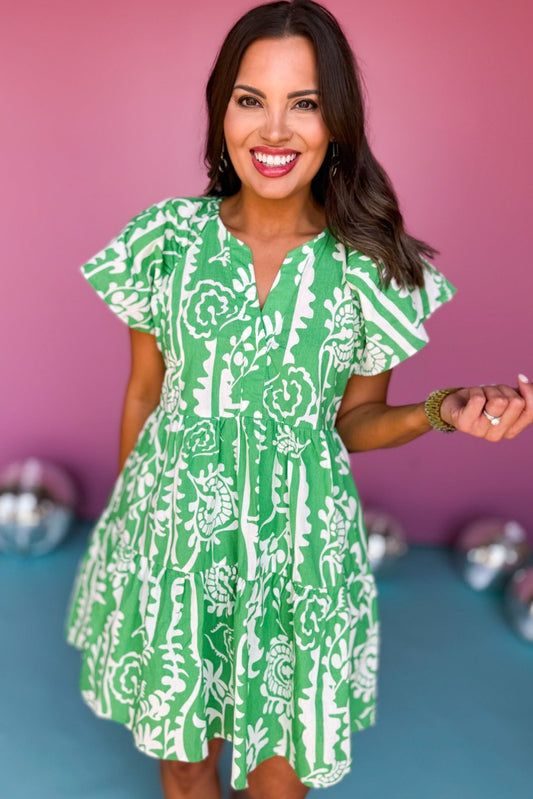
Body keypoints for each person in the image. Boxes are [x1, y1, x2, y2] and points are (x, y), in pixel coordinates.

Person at [65, 2, 532, 798]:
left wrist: (438, 408)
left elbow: (352, 421)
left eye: (303, 102)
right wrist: (142, 543)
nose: (273, 129)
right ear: (221, 111)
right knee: (184, 765)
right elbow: (144, 393)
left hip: (297, 557)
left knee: (278, 780)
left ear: (336, 122)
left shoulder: (368, 267)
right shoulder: (166, 240)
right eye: (250, 99)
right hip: (175, 544)